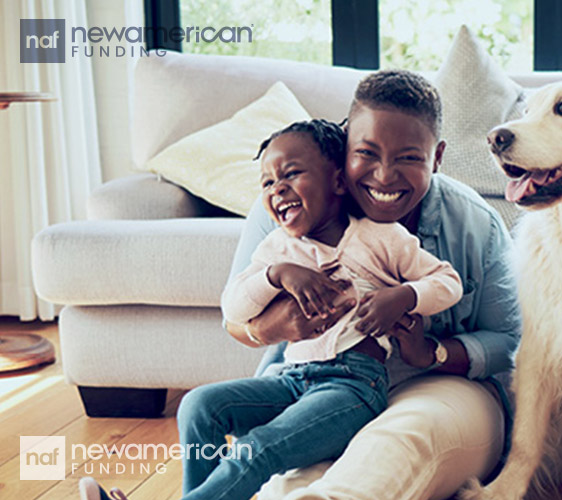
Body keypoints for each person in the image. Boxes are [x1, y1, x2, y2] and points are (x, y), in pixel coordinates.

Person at [80, 70, 520, 500]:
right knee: (283, 479)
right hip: (306, 379)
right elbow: (236, 317)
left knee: (391, 450)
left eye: (409, 157)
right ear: (344, 147)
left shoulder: (472, 225)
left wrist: (432, 351)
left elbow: (509, 340)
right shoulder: (290, 210)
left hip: (436, 384)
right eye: (366, 153)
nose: (384, 176)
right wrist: (275, 323)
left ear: (436, 157)